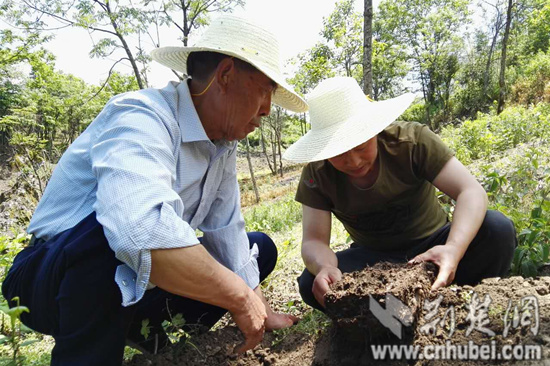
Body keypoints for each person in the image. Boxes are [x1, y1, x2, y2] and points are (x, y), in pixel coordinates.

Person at [2, 15, 308, 365]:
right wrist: (239, 297)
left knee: (260, 249)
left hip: (131, 282)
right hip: (47, 279)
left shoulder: (223, 144)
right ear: (225, 75)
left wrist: (258, 303)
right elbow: (138, 229)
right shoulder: (141, 116)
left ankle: (156, 338)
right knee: (111, 231)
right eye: (266, 90)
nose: (268, 109)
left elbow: (226, 229)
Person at [283, 77, 517, 311]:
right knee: (312, 283)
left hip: (433, 242)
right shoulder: (317, 174)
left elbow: (470, 191)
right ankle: (391, 322)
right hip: (373, 261)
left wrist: (453, 248)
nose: (353, 161)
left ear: (373, 130)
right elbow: (314, 240)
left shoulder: (411, 142)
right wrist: (325, 266)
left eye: (361, 146)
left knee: (497, 229)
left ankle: (461, 301)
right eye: (338, 153)